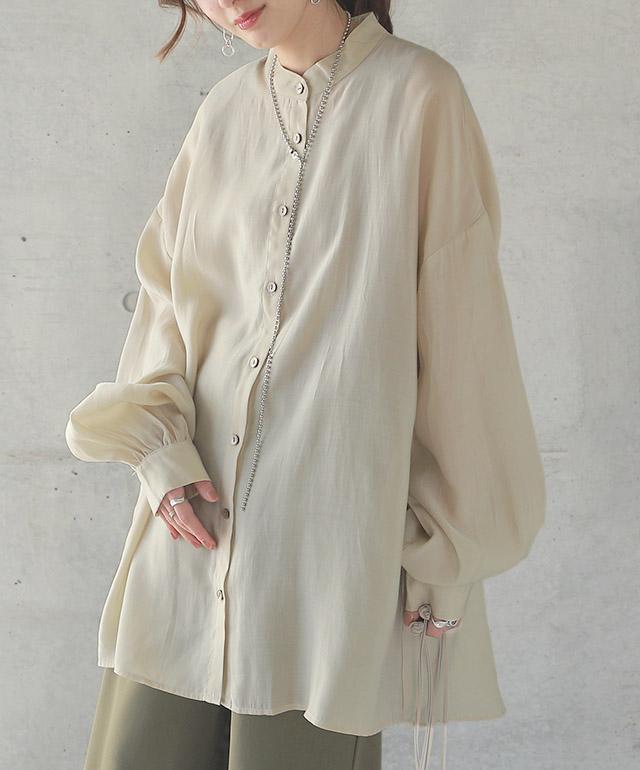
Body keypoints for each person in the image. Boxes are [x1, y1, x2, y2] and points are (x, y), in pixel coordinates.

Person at [65, 1, 547, 769]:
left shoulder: (421, 97)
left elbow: (464, 344)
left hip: (327, 569)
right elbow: (166, 307)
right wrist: (158, 455)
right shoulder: (224, 114)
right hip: (187, 550)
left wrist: (444, 560)